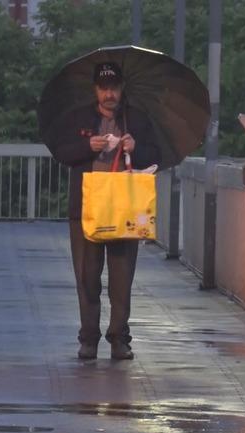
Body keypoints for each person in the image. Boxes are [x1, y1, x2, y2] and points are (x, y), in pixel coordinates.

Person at [49, 62, 160, 360]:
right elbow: (62, 152)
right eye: (103, 87)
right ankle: (88, 338)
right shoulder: (79, 118)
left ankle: (119, 339)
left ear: (122, 88)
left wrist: (135, 148)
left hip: (124, 208)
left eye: (113, 87)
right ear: (95, 89)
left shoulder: (136, 119)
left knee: (122, 279)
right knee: (87, 276)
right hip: (86, 209)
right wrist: (89, 145)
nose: (109, 93)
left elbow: (155, 156)